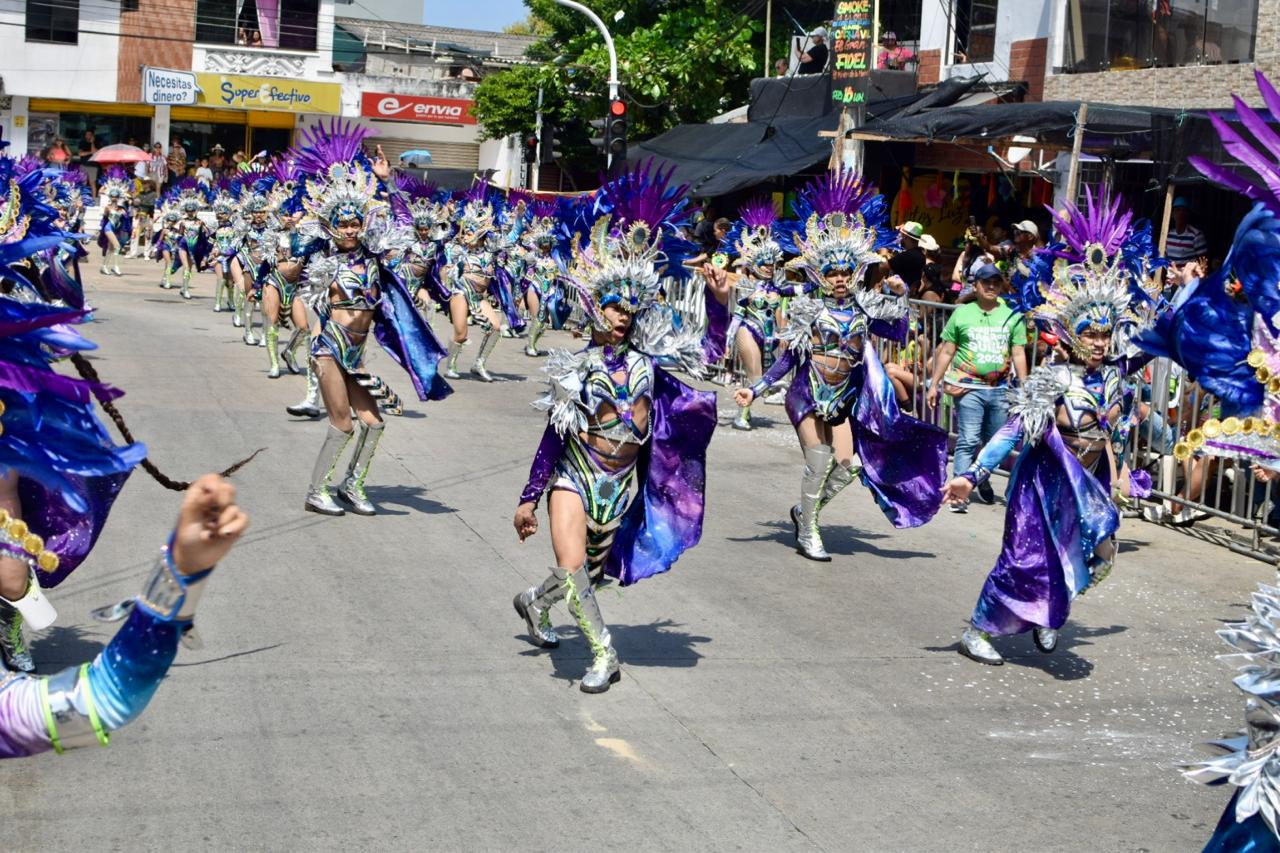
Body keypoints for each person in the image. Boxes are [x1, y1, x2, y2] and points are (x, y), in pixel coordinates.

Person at [512, 162, 716, 694]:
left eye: (629, 309)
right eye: (612, 307)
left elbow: (708, 350)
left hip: (621, 486)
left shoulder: (652, 364)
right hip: (574, 478)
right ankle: (604, 654)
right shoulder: (576, 369)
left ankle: (534, 602)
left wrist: (716, 299)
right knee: (573, 566)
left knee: (586, 577)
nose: (621, 318)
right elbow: (553, 437)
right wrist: (530, 497)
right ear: (592, 308)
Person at [942, 188, 1160, 666]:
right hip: (1043, 483)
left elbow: (1163, 342)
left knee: (1098, 553)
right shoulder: (1053, 377)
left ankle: (1047, 611)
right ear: (1066, 332)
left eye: (1106, 333)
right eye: (1089, 333)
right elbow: (1012, 432)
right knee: (1023, 560)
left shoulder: (1116, 374)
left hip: (1088, 484)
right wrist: (972, 475)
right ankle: (979, 630)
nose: (1100, 343)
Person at [734, 169, 948, 561]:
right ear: (819, 272)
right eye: (831, 271)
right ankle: (811, 533)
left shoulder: (866, 307)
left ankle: (804, 512)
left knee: (848, 467)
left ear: (855, 273)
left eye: (845, 271)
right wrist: (758, 388)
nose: (838, 278)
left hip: (844, 398)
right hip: (808, 392)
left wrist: (901, 297)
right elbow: (788, 358)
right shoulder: (808, 308)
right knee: (819, 461)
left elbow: (899, 330)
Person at [282, 122, 451, 516]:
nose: (350, 228)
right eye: (341, 223)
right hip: (329, 352)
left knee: (373, 424)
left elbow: (407, 230)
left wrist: (388, 185)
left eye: (355, 222)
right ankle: (316, 490)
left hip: (355, 357)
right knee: (342, 424)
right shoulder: (324, 261)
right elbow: (298, 254)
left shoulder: (376, 260)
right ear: (330, 225)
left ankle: (352, 485)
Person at [926, 262, 1029, 511]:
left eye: (996, 282)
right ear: (977, 285)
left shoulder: (1012, 315)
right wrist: (934, 384)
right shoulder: (962, 313)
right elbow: (947, 350)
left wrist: (1025, 390)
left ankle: (978, 480)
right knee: (968, 439)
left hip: (999, 390)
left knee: (995, 442)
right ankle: (958, 492)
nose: (991, 286)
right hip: (967, 387)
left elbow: (1018, 354)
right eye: (986, 282)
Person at [885, 220, 926, 294]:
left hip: (899, 296)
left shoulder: (908, 255)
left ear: (905, 237)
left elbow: (885, 265)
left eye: (901, 235)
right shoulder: (921, 255)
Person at [1164, 197, 1208, 264]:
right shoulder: (1169, 235)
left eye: (1184, 210)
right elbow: (1165, 259)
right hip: (1170, 274)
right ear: (1172, 214)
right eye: (1177, 210)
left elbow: (1203, 262)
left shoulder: (1196, 235)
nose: (1180, 213)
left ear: (1188, 214)